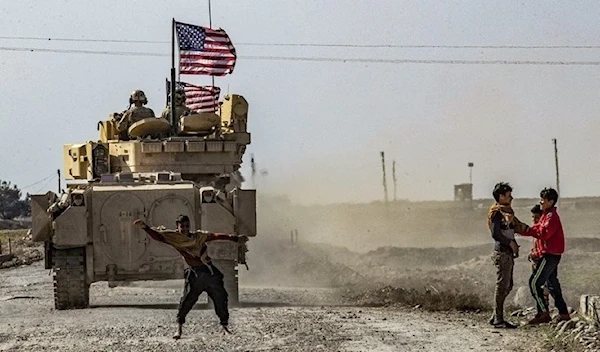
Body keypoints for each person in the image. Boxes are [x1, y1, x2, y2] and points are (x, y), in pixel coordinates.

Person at [133, 215, 247, 339]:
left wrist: (235, 238)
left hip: (209, 272)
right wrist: (145, 228)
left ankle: (224, 326)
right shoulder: (175, 238)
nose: (185, 229)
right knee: (187, 300)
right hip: (195, 274)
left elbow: (215, 236)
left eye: (187, 226)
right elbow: (158, 236)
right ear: (177, 227)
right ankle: (179, 329)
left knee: (221, 298)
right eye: (182, 226)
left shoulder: (198, 237)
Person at [520, 188, 570, 325]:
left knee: (534, 282)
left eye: (543, 200)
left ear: (551, 201)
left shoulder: (551, 217)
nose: (541, 202)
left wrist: (526, 230)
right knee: (552, 284)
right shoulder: (546, 215)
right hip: (550, 254)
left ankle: (543, 313)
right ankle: (564, 313)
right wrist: (526, 230)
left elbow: (544, 233)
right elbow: (538, 230)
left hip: (549, 255)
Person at [487, 182, 526, 328]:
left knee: (508, 285)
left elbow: (515, 227)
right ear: (501, 196)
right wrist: (510, 243)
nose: (512, 198)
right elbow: (495, 234)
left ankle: (495, 316)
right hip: (502, 252)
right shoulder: (497, 213)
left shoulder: (507, 212)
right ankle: (498, 319)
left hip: (507, 252)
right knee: (502, 285)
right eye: (509, 195)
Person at [528, 204, 550, 307]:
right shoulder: (535, 230)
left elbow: (543, 248)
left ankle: (544, 310)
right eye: (533, 217)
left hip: (542, 261)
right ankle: (541, 310)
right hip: (535, 262)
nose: (534, 219)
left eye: (537, 217)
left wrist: (535, 254)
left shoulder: (543, 230)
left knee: (540, 285)